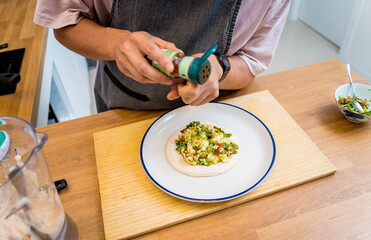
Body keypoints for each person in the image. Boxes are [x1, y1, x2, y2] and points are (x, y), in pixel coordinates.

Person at [34, 0, 291, 112]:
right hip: (124, 108)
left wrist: (219, 68)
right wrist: (117, 43)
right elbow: (65, 23)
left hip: (213, 111)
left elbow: (250, 62)